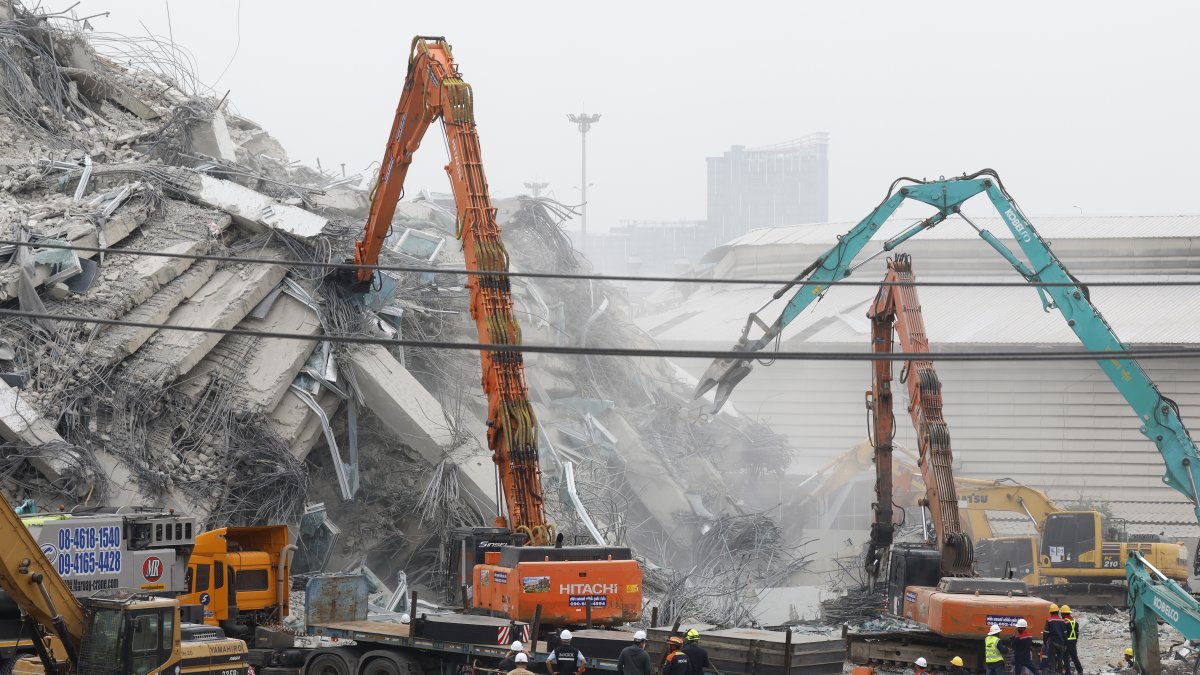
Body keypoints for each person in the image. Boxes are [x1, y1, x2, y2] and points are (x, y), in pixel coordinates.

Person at [1042, 603, 1067, 675]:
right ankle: (1060, 673)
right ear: (1058, 612)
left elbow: (1046, 633)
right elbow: (1065, 633)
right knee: (1060, 660)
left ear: (1050, 612)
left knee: (1052, 660)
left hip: (1053, 643)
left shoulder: (1049, 621)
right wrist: (1065, 644)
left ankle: (1052, 673)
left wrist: (1044, 641)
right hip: (1061, 644)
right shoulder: (1062, 621)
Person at [1061, 606, 1082, 675]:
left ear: (1064, 613)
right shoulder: (1075, 622)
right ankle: (1080, 671)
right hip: (1073, 642)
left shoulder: (1064, 622)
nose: (1061, 615)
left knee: (1066, 658)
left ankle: (1068, 673)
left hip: (1066, 642)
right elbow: (1077, 634)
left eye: (1061, 613)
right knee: (1074, 657)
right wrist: (1075, 641)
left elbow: (1063, 634)